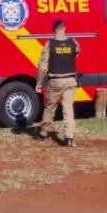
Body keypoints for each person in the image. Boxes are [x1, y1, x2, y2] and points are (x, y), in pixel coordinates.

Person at [35, 19, 80, 147]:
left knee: (50, 108)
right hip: (70, 80)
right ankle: (69, 138)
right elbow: (77, 53)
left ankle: (43, 132)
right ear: (64, 28)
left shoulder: (49, 44)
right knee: (68, 110)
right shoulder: (73, 42)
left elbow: (43, 65)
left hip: (55, 81)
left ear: (54, 30)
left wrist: (39, 82)